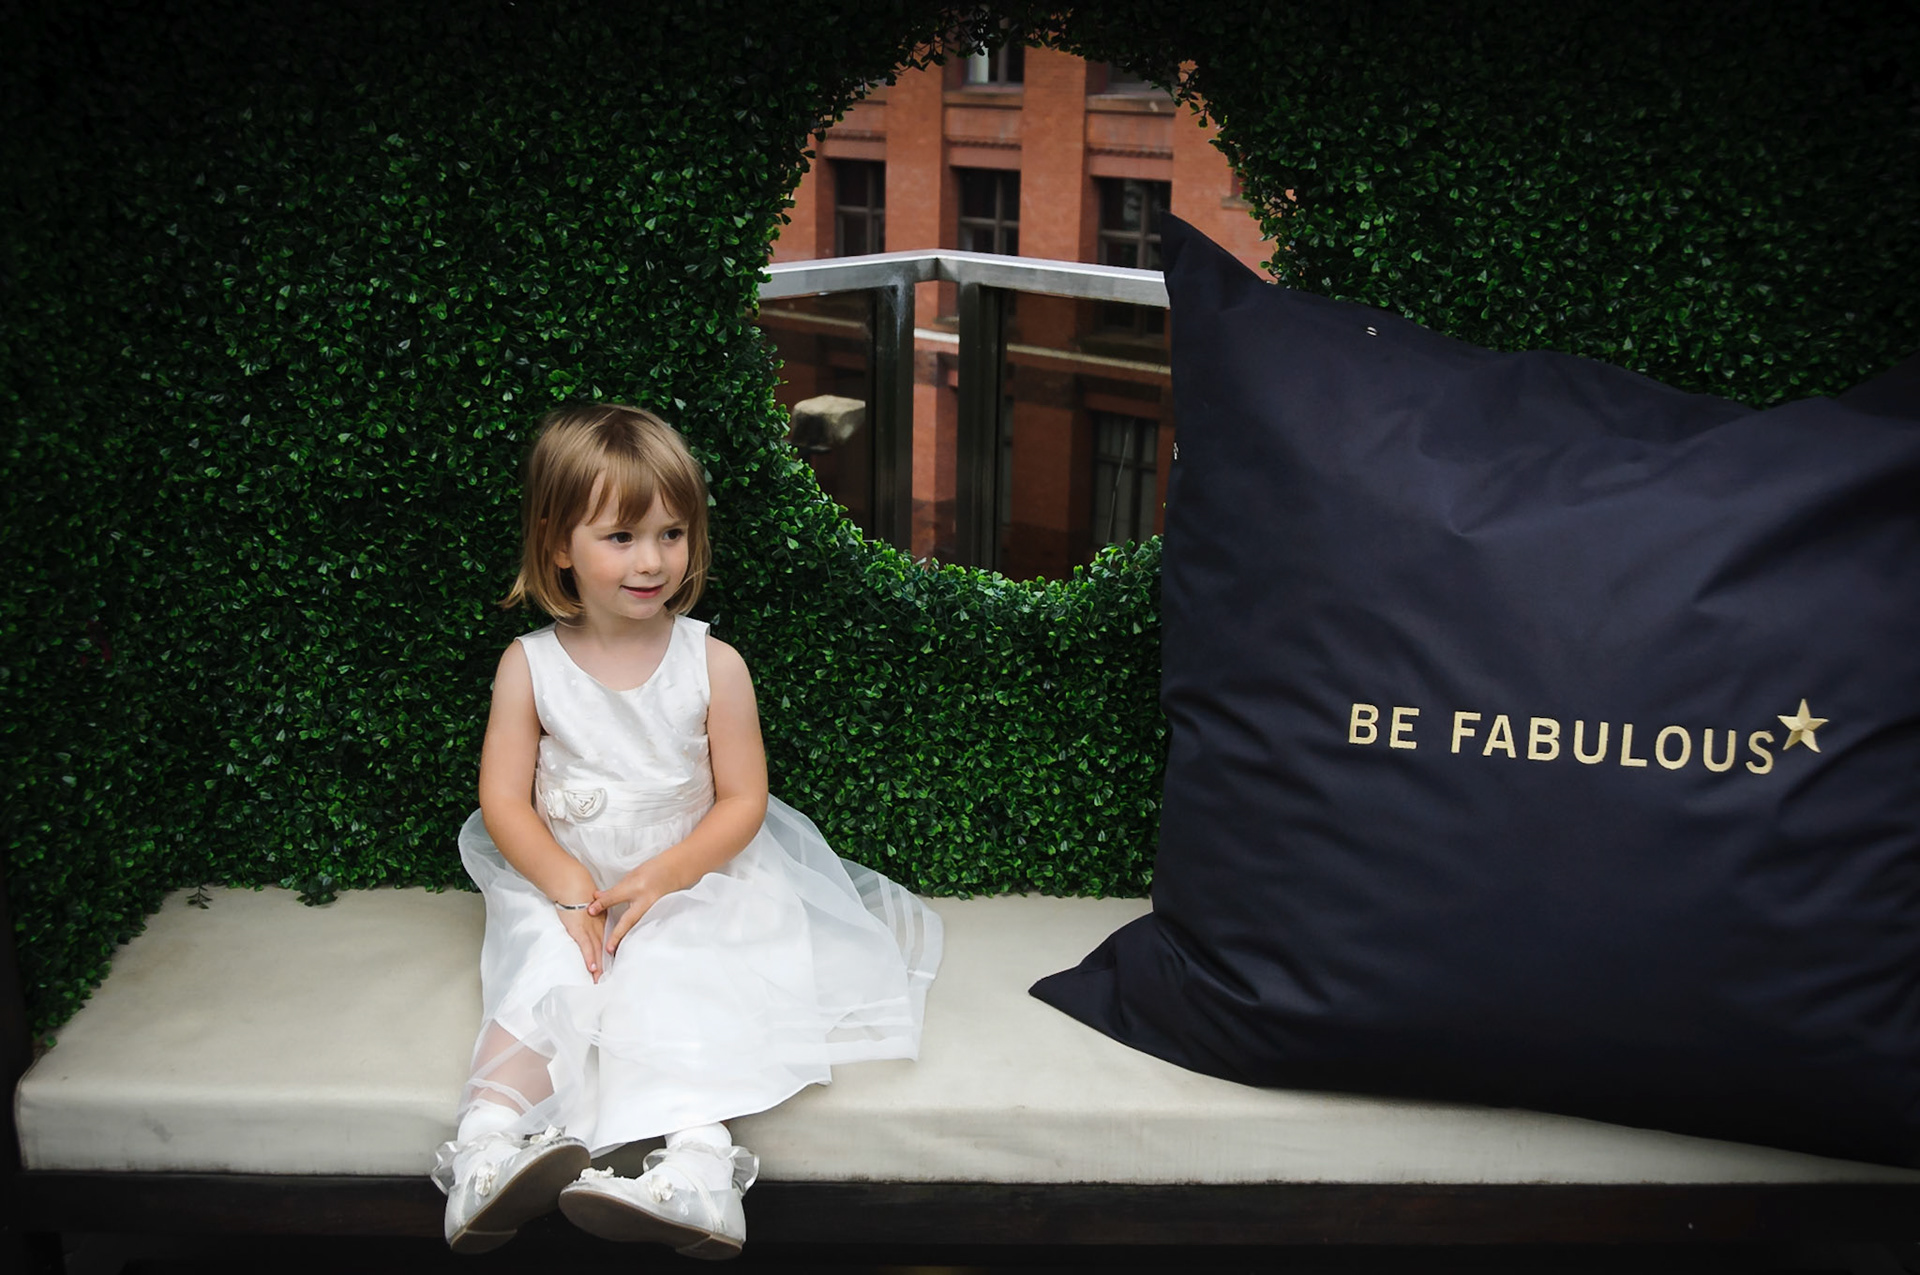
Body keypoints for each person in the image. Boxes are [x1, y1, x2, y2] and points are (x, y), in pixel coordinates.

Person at [432, 403, 942, 1258]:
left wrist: (666, 878)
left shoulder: (713, 664)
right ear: (559, 544)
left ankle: (701, 1171)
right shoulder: (530, 666)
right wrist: (566, 890)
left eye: (672, 533)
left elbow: (743, 800)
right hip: (570, 881)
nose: (653, 559)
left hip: (692, 875)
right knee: (540, 970)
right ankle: (484, 1153)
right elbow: (504, 802)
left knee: (685, 972)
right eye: (622, 536)